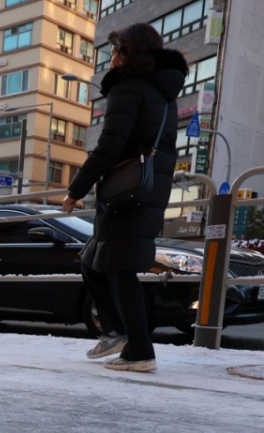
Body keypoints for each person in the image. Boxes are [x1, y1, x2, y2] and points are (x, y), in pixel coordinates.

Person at [62, 23, 185, 373]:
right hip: (146, 190)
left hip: (126, 192)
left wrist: (75, 190)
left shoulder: (129, 88)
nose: (111, 58)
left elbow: (109, 145)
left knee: (119, 271)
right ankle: (120, 336)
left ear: (128, 53)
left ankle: (138, 350)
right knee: (96, 262)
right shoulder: (163, 94)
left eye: (115, 51)